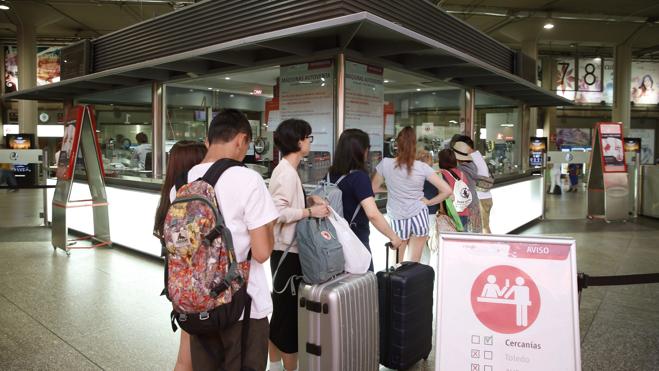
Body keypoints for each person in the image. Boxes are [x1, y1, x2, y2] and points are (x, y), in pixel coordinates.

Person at [169, 109, 279, 371]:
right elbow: (262, 253)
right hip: (242, 305)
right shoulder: (249, 179)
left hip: (197, 301)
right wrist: (270, 227)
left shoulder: (182, 182)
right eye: (247, 144)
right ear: (241, 139)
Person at [267, 119, 329, 371]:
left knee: (282, 315)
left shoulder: (288, 170)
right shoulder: (285, 172)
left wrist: (307, 201)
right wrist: (309, 211)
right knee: (288, 318)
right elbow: (277, 211)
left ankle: (274, 366)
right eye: (308, 137)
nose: (309, 142)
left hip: (286, 253)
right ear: (298, 140)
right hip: (286, 254)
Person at [153, 140, 207, 371]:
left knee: (186, 352)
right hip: (196, 288)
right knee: (191, 354)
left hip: (178, 285)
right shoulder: (194, 201)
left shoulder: (170, 197)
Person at [372, 127, 452, 263]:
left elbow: (373, 188)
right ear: (414, 145)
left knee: (396, 263)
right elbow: (447, 191)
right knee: (414, 263)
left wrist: (390, 189)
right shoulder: (422, 167)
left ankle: (396, 284)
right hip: (419, 215)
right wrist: (429, 202)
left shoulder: (385, 164)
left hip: (398, 217)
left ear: (397, 144)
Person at [328, 129, 403, 269]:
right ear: (361, 150)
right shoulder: (359, 177)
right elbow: (373, 214)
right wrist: (393, 237)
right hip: (355, 242)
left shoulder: (330, 174)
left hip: (332, 242)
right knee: (362, 287)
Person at [454, 135, 493, 233]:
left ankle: (485, 247)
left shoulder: (469, 161)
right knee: (484, 227)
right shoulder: (477, 155)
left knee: (480, 230)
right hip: (486, 196)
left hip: (479, 199)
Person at [450, 136, 482, 233]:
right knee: (473, 239)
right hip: (474, 206)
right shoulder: (474, 166)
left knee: (463, 240)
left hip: (463, 209)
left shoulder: (459, 170)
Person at [438, 149, 471, 229]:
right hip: (464, 210)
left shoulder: (441, 174)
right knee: (462, 239)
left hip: (450, 213)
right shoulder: (461, 174)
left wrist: (441, 210)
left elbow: (440, 195)